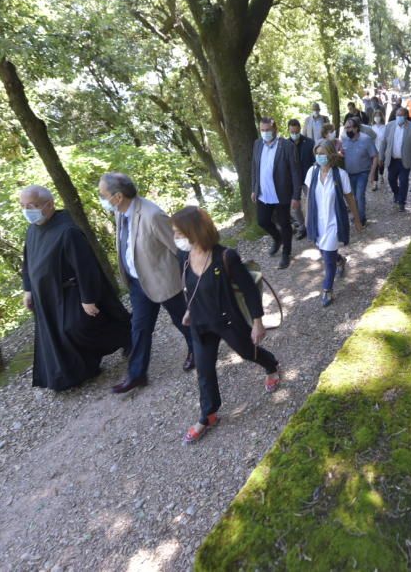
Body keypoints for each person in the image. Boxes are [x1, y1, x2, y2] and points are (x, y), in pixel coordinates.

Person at [172, 206, 281, 443]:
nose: (176, 238)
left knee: (247, 352)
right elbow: (191, 286)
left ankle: (270, 364)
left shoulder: (226, 257)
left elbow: (250, 291)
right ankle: (207, 415)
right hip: (200, 324)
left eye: (179, 233)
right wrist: (190, 310)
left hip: (227, 320)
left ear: (194, 231)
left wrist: (257, 323)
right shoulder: (184, 256)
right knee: (204, 371)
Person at [20, 185, 131, 391]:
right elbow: (28, 262)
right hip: (47, 296)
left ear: (49, 204)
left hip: (72, 291)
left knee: (78, 328)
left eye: (32, 205)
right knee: (59, 334)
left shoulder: (67, 230)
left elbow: (85, 266)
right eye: (23, 206)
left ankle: (128, 335)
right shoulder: (32, 230)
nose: (27, 210)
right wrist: (28, 288)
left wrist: (88, 298)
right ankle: (78, 372)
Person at [99, 172, 195, 394]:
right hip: (137, 282)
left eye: (103, 195)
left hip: (164, 280)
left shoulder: (152, 215)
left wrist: (188, 279)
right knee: (140, 328)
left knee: (182, 320)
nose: (101, 199)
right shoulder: (119, 212)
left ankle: (197, 350)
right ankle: (137, 375)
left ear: (118, 196)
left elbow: (178, 248)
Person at [304, 142, 363, 307]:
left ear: (330, 155)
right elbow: (308, 197)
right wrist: (307, 219)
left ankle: (327, 290)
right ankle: (340, 260)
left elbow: (350, 198)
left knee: (327, 260)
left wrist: (357, 220)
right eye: (317, 153)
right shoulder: (312, 172)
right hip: (317, 223)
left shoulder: (340, 175)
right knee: (325, 253)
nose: (319, 157)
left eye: (322, 153)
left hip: (333, 223)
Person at [251, 118, 302, 269]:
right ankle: (277, 238)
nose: (265, 133)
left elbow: (295, 172)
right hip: (263, 193)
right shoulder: (257, 144)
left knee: (285, 223)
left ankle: (286, 252)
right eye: (262, 130)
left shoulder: (286, 146)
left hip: (281, 194)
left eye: (268, 130)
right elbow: (254, 167)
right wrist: (254, 188)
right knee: (262, 221)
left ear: (275, 129)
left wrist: (296, 196)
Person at [382, 107, 411, 212]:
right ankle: (397, 193)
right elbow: (384, 142)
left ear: (406, 116)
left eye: (401, 115)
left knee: (404, 181)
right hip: (392, 160)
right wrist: (380, 157)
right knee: (391, 179)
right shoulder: (390, 126)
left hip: (405, 160)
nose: (399, 117)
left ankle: (402, 202)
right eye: (397, 115)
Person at [341, 117, 378, 226]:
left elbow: (375, 156)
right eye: (346, 128)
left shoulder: (366, 139)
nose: (347, 130)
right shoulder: (344, 139)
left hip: (363, 172)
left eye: (350, 127)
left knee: (359, 195)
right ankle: (356, 215)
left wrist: (372, 174)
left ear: (356, 128)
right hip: (349, 173)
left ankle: (361, 218)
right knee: (352, 197)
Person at [288, 118, 315, 241]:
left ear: (299, 129)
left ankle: (313, 225)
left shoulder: (309, 143)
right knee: (296, 206)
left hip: (307, 178)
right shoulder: (286, 144)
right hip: (293, 181)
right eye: (292, 132)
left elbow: (315, 161)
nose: (294, 134)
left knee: (312, 202)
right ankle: (302, 227)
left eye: (296, 131)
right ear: (289, 131)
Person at [369, 109, 387, 191]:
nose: (377, 118)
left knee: (381, 164)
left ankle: (381, 174)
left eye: (379, 116)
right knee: (374, 165)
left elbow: (386, 139)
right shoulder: (371, 128)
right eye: (375, 116)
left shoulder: (385, 127)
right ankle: (375, 183)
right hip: (374, 149)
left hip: (382, 149)